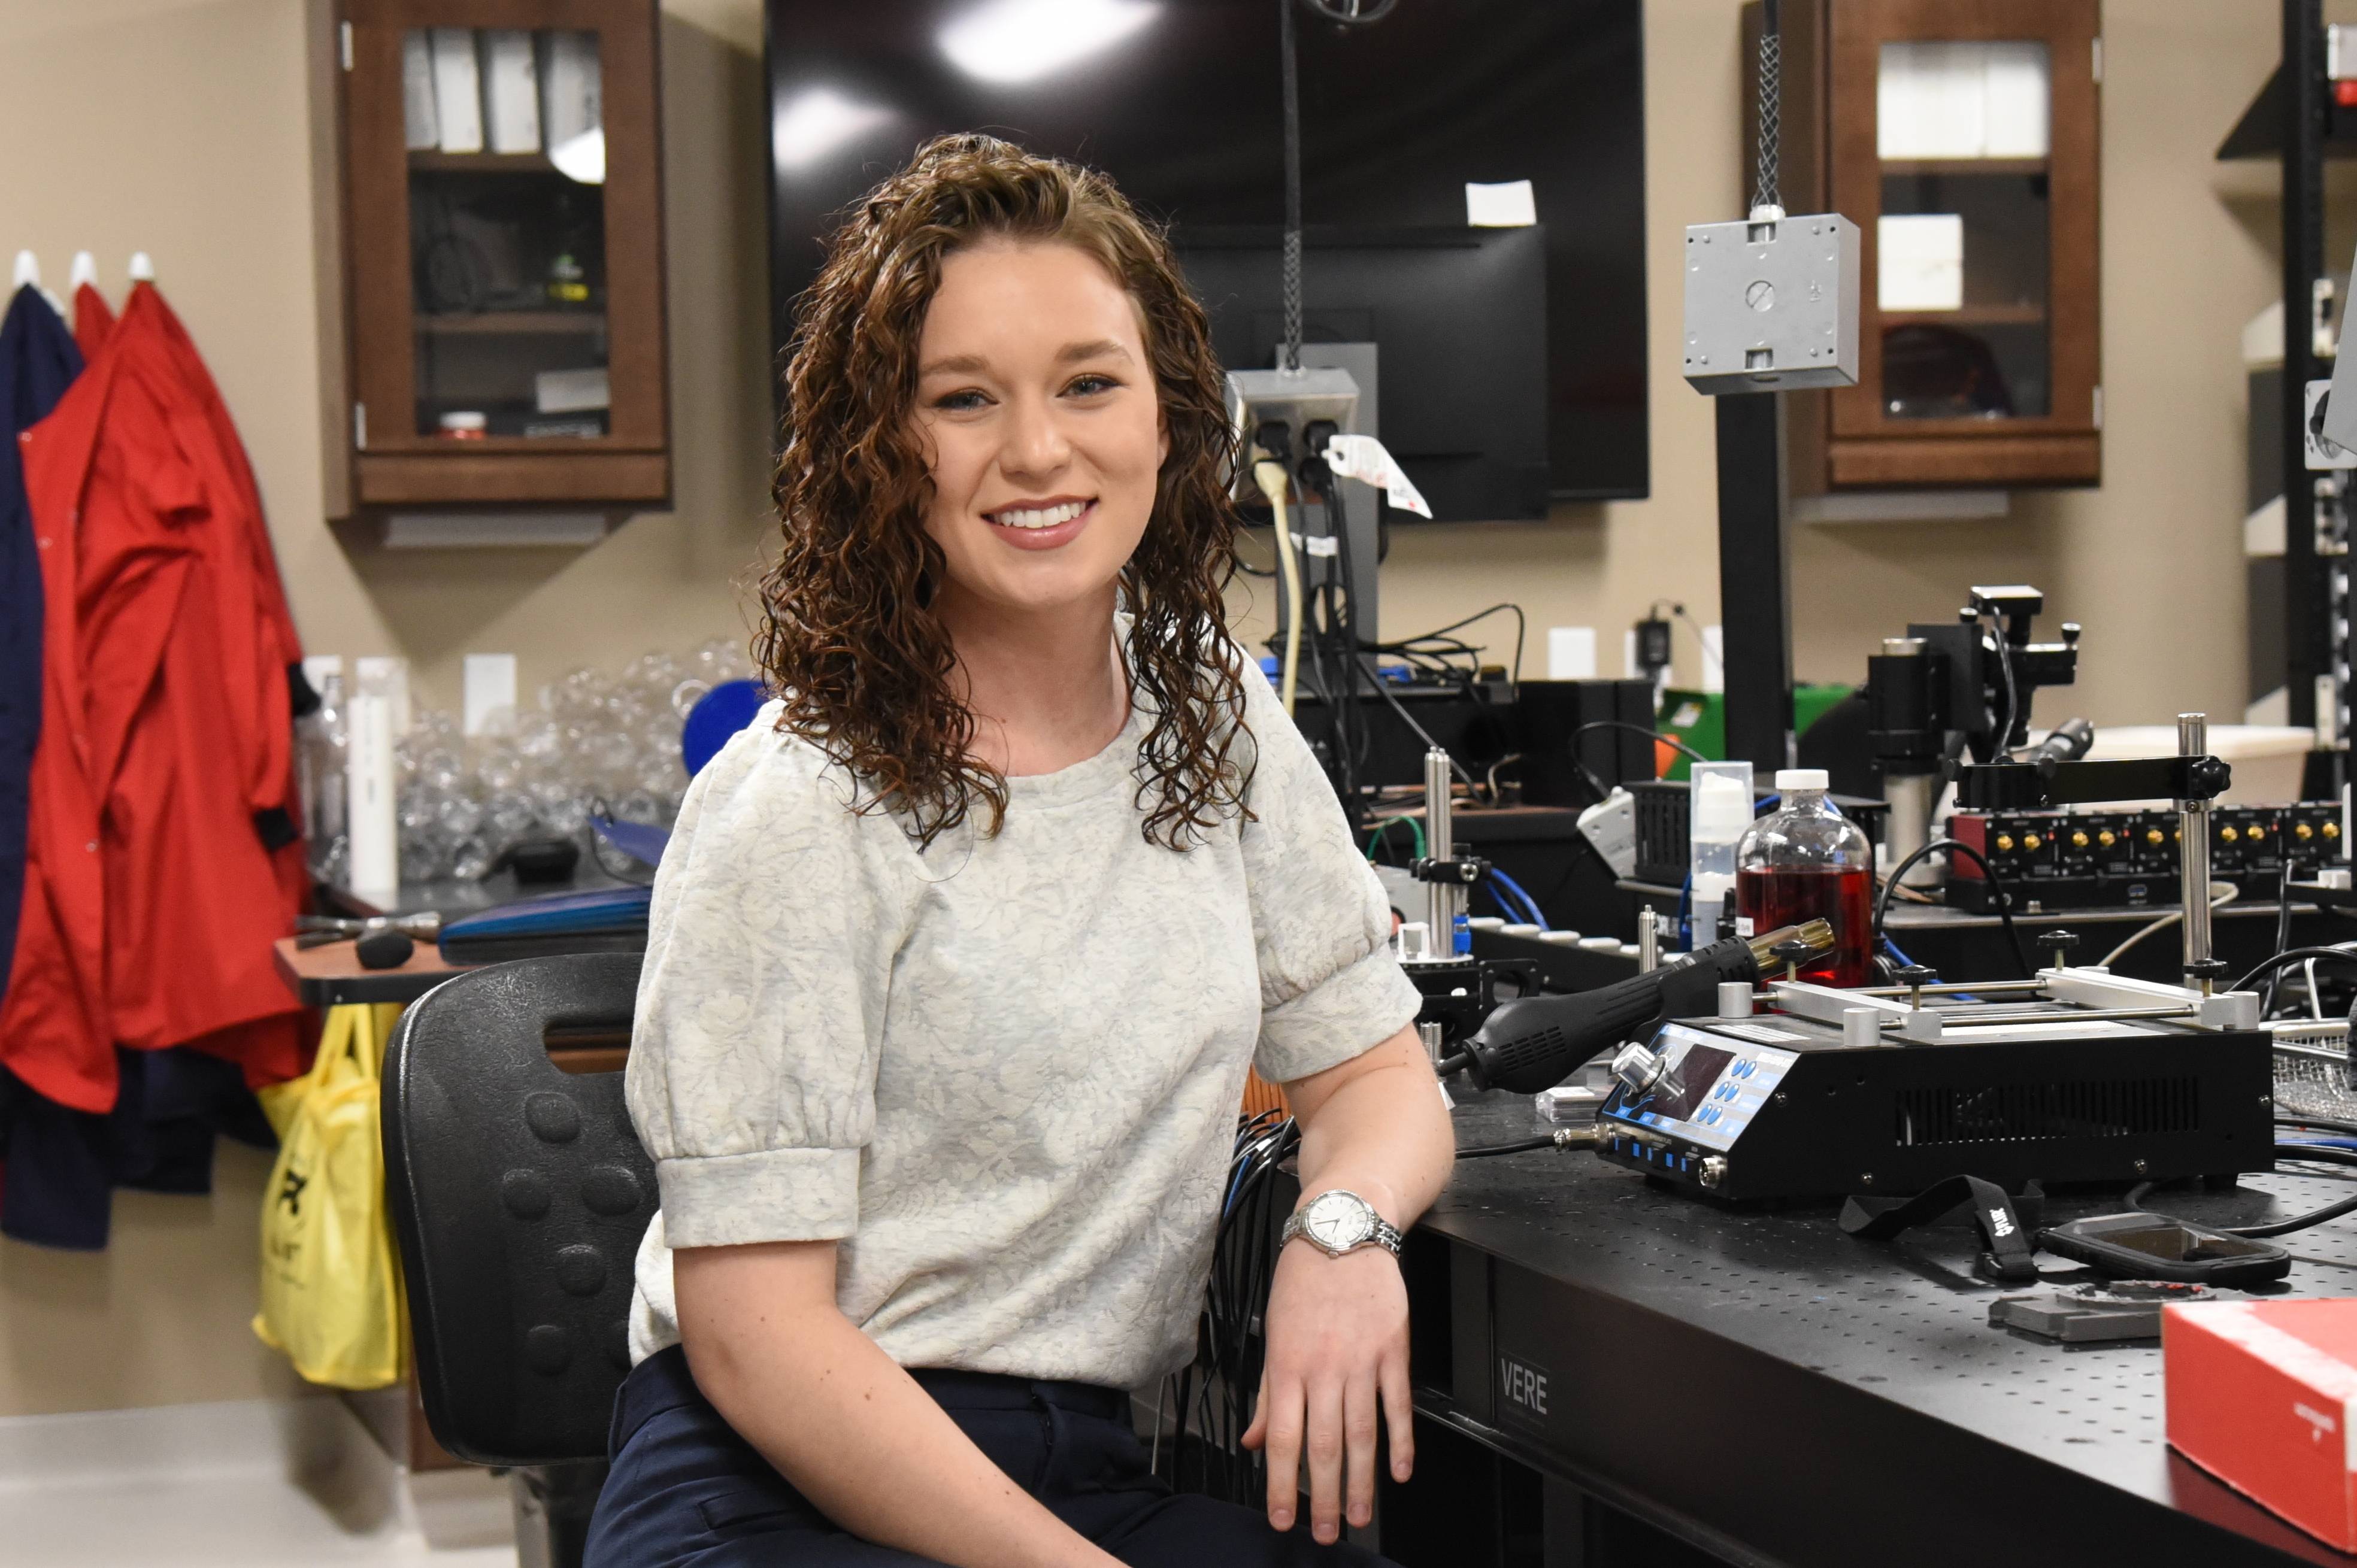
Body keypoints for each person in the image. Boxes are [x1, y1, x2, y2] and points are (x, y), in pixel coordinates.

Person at [585, 134, 1456, 1568]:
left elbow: (1375, 1077)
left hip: (1087, 1467)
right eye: (963, 398)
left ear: (1168, 416)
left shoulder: (1209, 713)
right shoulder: (801, 799)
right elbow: (757, 1337)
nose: (1040, 450)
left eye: (1088, 383)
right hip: (778, 1480)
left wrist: (1343, 1235)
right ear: (881, 450)